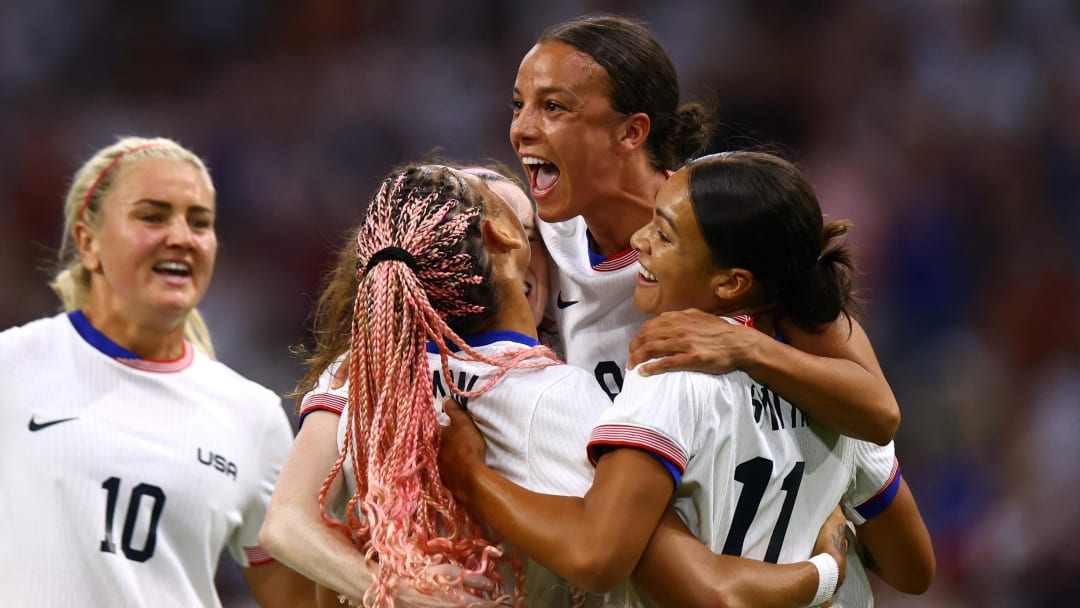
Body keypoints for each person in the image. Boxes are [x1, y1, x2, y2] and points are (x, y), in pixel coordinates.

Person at [260, 163, 851, 608]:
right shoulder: (569, 400)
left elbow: (292, 523)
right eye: (529, 233)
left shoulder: (368, 376)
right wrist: (822, 569)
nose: (543, 257)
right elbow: (678, 575)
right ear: (504, 244)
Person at [438, 152, 934, 607]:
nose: (639, 242)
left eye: (664, 234)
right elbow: (912, 570)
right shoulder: (838, 398)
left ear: (732, 282)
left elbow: (598, 558)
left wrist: (472, 477)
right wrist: (831, 540)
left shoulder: (667, 373)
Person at [512, 15, 900, 444]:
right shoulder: (527, 244)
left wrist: (743, 346)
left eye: (553, 107)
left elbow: (878, 413)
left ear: (631, 131)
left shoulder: (724, 221)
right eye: (518, 105)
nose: (521, 129)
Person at [0, 136, 315, 607]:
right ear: (88, 243)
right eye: (152, 216)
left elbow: (299, 604)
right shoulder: (12, 364)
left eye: (200, 222)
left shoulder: (252, 417)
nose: (181, 237)